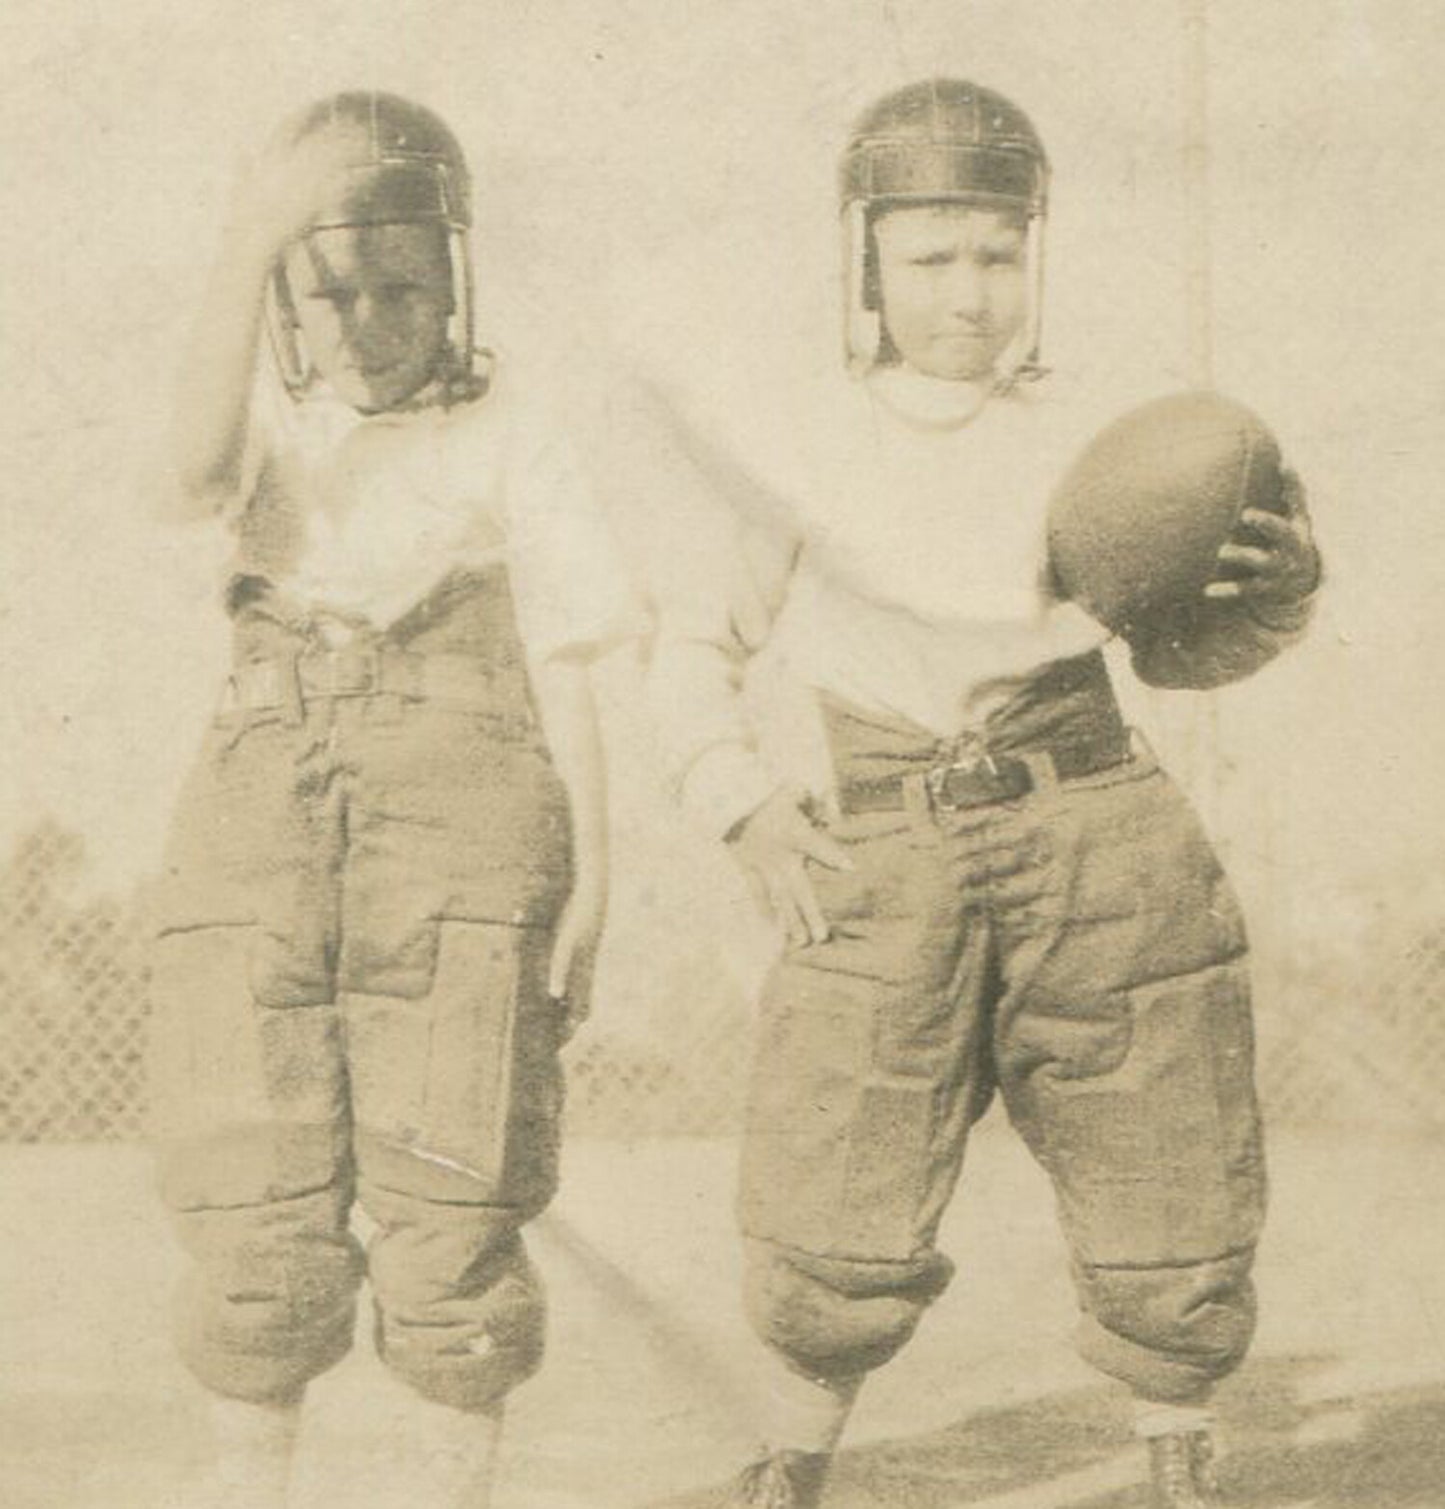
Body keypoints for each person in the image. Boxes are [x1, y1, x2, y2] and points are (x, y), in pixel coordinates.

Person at [641, 78, 1320, 1509]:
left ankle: (1174, 1452)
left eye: (997, 254)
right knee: (836, 1189)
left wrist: (1275, 592)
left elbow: (1191, 648)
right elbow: (689, 650)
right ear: (860, 260)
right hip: (884, 834)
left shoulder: (1092, 435)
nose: (966, 294)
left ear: (1037, 255)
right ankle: (792, 1457)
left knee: (1164, 1151)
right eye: (928, 257)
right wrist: (746, 807)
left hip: (1092, 813)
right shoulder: (794, 438)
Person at [147, 91, 642, 1509]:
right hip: (261, 801)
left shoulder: (513, 432)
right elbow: (185, 471)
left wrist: (593, 872)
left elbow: (571, 646)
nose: (372, 321)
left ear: (456, 276)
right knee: (250, 1210)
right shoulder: (265, 432)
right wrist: (252, 242)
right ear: (286, 298)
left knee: (456, 1205)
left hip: (464, 801)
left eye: (404, 286)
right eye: (335, 290)